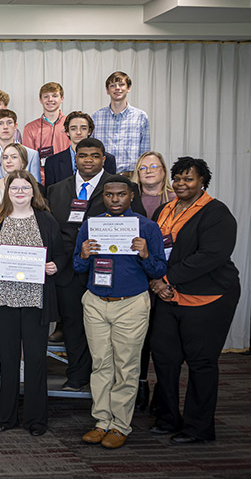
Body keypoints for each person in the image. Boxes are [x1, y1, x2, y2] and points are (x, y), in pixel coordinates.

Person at [148, 157, 240, 444]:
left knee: (201, 363)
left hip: (208, 298)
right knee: (164, 359)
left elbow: (210, 256)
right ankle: (168, 417)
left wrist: (166, 279)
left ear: (202, 182)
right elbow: (154, 248)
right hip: (167, 297)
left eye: (188, 179)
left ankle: (198, 428)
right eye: (177, 178)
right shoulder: (165, 208)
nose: (181, 184)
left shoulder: (216, 213)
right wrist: (157, 280)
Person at [74, 175, 167, 449]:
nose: (115, 199)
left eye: (121, 195)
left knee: (126, 366)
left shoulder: (147, 228)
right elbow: (78, 268)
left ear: (131, 197)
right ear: (104, 196)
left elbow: (160, 270)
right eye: (110, 195)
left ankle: (120, 425)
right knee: (101, 364)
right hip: (96, 302)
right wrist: (83, 255)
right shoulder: (92, 225)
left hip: (131, 303)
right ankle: (102, 421)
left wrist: (146, 254)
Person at [47, 137, 145, 392]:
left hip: (110, 271)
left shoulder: (122, 187)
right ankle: (78, 376)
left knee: (108, 331)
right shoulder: (56, 189)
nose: (88, 160)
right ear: (75, 158)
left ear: (103, 159)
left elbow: (137, 225)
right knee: (73, 326)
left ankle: (107, 383)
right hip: (68, 271)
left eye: (94, 155)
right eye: (82, 155)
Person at [0, 170, 63, 436]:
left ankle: (36, 420)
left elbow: (60, 254)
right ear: (7, 192)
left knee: (36, 360)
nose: (20, 192)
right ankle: (7, 416)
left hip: (36, 301)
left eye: (25, 188)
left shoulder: (46, 220)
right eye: (15, 188)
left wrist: (54, 266)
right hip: (4, 300)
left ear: (33, 191)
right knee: (9, 360)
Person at [129, 150, 176, 410]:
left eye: (154, 166)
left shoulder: (176, 199)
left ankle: (163, 391)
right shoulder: (129, 197)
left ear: (163, 170)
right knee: (139, 340)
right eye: (143, 167)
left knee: (163, 340)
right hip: (136, 277)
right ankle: (140, 385)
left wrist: (161, 280)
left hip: (166, 280)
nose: (148, 171)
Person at [92, 71, 151, 174]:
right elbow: (92, 150)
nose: (117, 88)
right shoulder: (97, 117)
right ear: (107, 90)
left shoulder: (141, 117)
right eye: (113, 85)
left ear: (128, 88)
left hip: (132, 176)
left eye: (121, 84)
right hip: (103, 176)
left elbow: (144, 154)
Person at [43, 111, 117, 189]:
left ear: (89, 131)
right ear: (67, 132)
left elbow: (110, 190)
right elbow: (50, 194)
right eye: (73, 128)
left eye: (83, 128)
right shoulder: (52, 162)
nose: (78, 132)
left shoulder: (107, 159)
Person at [22, 82, 72, 180]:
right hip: (41, 180)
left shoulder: (71, 124)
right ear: (40, 100)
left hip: (68, 179)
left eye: (54, 96)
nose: (50, 100)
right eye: (46, 96)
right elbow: (28, 160)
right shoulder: (30, 128)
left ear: (62, 99)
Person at [0, 109, 40, 182]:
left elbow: (36, 186)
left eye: (9, 123)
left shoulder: (32, 154)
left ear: (15, 126)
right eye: (0, 123)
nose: (5, 127)